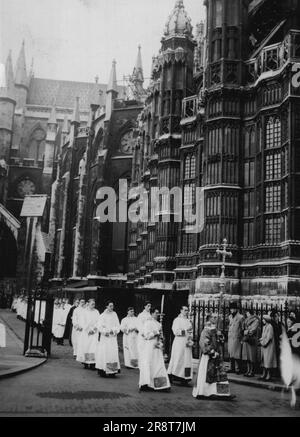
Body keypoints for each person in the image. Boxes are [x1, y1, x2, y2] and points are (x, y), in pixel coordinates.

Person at [193, 313, 235, 401]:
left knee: (220, 374)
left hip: (217, 355)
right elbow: (204, 342)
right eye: (214, 317)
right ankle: (205, 392)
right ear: (209, 318)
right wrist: (211, 352)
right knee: (209, 374)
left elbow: (219, 340)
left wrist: (221, 338)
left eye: (217, 317)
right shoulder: (206, 330)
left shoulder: (216, 329)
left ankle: (223, 393)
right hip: (209, 356)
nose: (217, 319)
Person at [138, 308, 171, 392]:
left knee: (158, 364)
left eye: (158, 313)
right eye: (156, 313)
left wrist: (161, 340)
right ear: (152, 314)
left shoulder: (158, 324)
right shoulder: (147, 323)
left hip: (157, 346)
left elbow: (161, 336)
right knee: (149, 363)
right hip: (149, 346)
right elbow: (146, 336)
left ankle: (160, 384)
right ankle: (147, 383)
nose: (157, 315)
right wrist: (155, 333)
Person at [167, 305, 193, 385]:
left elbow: (191, 332)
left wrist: (190, 339)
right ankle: (172, 375)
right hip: (179, 342)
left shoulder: (188, 321)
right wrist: (186, 330)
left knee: (187, 360)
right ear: (181, 311)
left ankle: (185, 378)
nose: (186, 312)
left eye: (187, 310)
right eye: (185, 310)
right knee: (178, 358)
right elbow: (176, 331)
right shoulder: (177, 320)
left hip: (187, 343)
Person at [96, 301, 121, 377]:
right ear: (106, 306)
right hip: (105, 338)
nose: (112, 307)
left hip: (112, 337)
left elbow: (117, 325)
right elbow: (99, 326)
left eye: (112, 306)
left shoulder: (114, 314)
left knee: (112, 353)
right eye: (110, 306)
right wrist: (105, 332)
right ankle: (103, 370)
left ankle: (112, 371)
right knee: (105, 353)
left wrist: (114, 331)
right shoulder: (102, 315)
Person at [76, 298, 100, 369]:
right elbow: (82, 322)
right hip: (86, 332)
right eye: (92, 304)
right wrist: (88, 330)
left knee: (93, 348)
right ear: (88, 304)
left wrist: (94, 329)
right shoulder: (84, 312)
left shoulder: (96, 312)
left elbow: (98, 321)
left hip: (94, 332)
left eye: (94, 304)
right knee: (86, 347)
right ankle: (86, 363)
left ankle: (92, 363)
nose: (93, 305)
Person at [241, 309, 260, 377]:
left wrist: (246, 331)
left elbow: (252, 330)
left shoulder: (256, 320)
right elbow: (243, 328)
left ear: (250, 313)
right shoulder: (246, 320)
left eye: (248, 313)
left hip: (252, 340)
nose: (247, 314)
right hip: (247, 340)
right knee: (247, 357)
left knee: (251, 357)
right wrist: (246, 330)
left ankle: (252, 371)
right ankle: (248, 370)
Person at [258, 314, 277, 381]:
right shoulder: (264, 327)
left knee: (268, 361)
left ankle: (268, 375)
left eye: (263, 319)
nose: (262, 320)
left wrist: (263, 342)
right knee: (263, 360)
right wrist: (261, 340)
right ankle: (264, 374)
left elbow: (269, 337)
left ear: (266, 320)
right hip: (264, 346)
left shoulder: (270, 327)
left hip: (268, 346)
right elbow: (263, 336)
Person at [228, 302, 244, 374]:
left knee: (237, 354)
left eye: (232, 309)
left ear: (236, 309)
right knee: (231, 353)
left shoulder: (241, 317)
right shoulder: (230, 317)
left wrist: (241, 337)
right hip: (231, 337)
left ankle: (238, 368)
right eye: (231, 309)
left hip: (237, 337)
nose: (231, 310)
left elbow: (242, 328)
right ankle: (232, 367)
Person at [269, 309, 283, 375]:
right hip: (274, 342)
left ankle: (277, 371)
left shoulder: (280, 323)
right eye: (274, 316)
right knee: (274, 357)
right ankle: (273, 371)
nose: (276, 317)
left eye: (277, 316)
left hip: (279, 342)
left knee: (278, 357)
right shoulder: (271, 324)